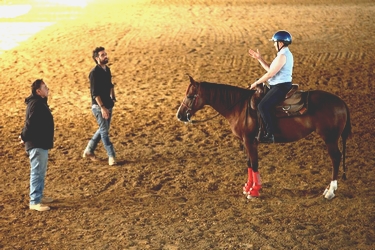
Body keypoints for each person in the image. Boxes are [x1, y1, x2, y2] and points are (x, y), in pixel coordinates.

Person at [248, 30, 294, 143]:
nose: (274, 44)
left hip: (281, 86)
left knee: (263, 106)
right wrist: (260, 59)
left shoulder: (283, 56)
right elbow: (270, 69)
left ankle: (271, 134)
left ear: (281, 43)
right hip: (276, 84)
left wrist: (256, 83)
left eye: (275, 42)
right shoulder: (282, 55)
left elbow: (270, 74)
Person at [20, 79, 54, 211]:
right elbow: (30, 123)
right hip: (37, 143)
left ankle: (39, 196)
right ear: (38, 91)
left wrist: (23, 136)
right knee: (37, 171)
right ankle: (34, 201)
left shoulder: (37, 103)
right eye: (45, 88)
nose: (47, 89)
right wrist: (23, 136)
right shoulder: (36, 104)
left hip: (40, 143)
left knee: (40, 171)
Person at [83, 46, 117, 166]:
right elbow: (95, 93)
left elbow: (110, 85)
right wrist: (102, 108)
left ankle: (89, 150)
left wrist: (113, 96)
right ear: (97, 58)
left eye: (105, 54)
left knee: (103, 130)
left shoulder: (107, 70)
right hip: (99, 107)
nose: (106, 56)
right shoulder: (94, 74)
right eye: (103, 55)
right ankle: (111, 155)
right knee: (104, 131)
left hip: (108, 104)